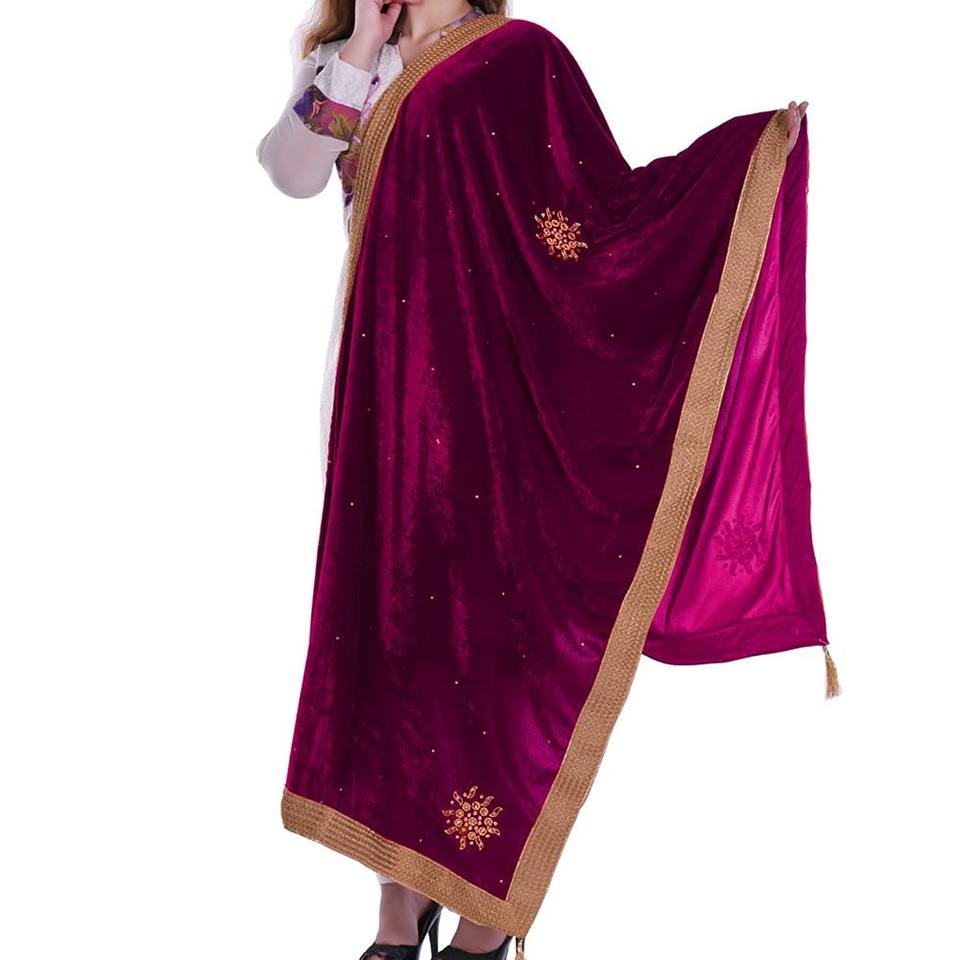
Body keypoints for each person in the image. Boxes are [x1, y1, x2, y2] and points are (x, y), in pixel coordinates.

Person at [256, 2, 825, 958]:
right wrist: (361, 47)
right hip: (379, 394)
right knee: (395, 646)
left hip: (500, 394)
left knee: (500, 648)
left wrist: (744, 162)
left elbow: (600, 218)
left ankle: (485, 911)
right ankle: (399, 903)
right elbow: (293, 173)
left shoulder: (521, 58)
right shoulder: (345, 63)